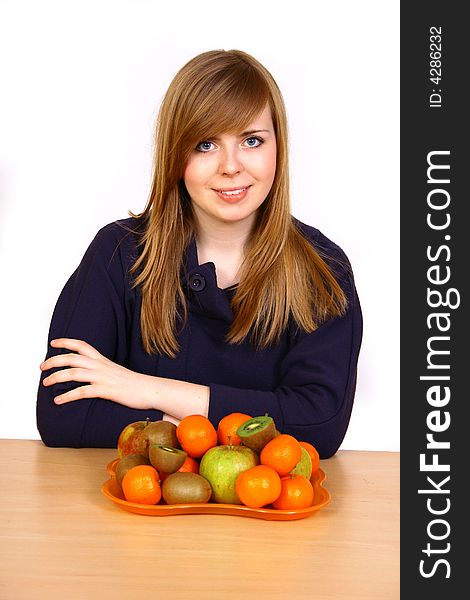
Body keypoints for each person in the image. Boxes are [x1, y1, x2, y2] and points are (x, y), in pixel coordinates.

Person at [36, 49, 363, 458]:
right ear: (176, 155)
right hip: (137, 517)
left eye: (252, 141)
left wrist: (145, 391)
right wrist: (245, 421)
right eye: (206, 144)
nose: (231, 166)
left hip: (267, 518)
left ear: (278, 147)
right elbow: (62, 414)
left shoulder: (322, 268)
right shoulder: (117, 253)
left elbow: (319, 425)